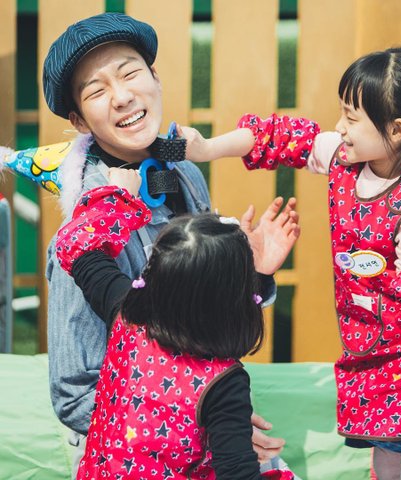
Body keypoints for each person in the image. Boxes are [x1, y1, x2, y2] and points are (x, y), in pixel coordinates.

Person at [180, 47, 401, 479]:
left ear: (396, 130)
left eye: (352, 118)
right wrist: (207, 149)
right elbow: (276, 138)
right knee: (386, 454)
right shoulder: (345, 156)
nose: (339, 127)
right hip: (375, 344)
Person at [43, 12, 298, 477]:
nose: (122, 96)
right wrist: (201, 423)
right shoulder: (85, 233)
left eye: (130, 73)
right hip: (120, 442)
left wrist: (254, 275)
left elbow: (203, 320)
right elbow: (74, 393)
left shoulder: (184, 172)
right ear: (79, 120)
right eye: (97, 91)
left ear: (155, 76)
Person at [54, 167, 297, 479]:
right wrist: (256, 275)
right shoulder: (223, 383)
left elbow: (79, 246)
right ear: (235, 302)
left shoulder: (127, 316)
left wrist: (117, 198)